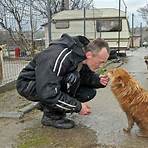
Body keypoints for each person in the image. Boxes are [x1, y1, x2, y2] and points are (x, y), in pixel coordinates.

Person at [16, 33, 110, 129]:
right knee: (71, 78)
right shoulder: (59, 56)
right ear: (89, 55)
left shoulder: (80, 54)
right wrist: (78, 107)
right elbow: (48, 92)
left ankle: (48, 105)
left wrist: (97, 80)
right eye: (101, 62)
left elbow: (83, 75)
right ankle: (51, 116)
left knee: (88, 92)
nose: (101, 66)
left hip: (47, 84)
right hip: (29, 84)